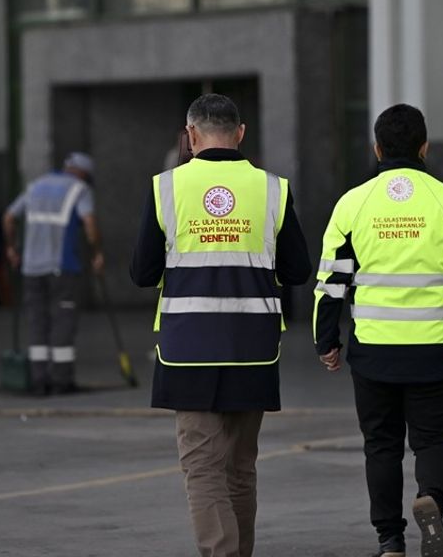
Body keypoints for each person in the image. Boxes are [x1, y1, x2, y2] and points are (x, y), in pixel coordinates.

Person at [129, 93, 311, 557]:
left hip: (188, 347)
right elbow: (297, 270)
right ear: (240, 133)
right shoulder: (273, 188)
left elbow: (142, 273)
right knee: (239, 468)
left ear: (191, 136)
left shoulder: (166, 187)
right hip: (253, 347)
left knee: (203, 468)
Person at [313, 104, 443, 557]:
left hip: (374, 352)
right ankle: (431, 496)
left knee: (381, 446)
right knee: (433, 439)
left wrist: (327, 340)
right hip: (437, 349)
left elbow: (331, 280)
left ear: (376, 149)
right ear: (424, 147)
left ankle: (390, 540)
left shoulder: (353, 203)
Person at [3, 153, 104, 396]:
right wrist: (97, 253)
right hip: (62, 267)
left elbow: (9, 218)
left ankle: (39, 380)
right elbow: (89, 223)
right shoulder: (79, 189)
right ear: (83, 174)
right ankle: (61, 381)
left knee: (37, 320)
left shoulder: (36, 186)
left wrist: (12, 248)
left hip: (31, 267)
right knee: (63, 320)